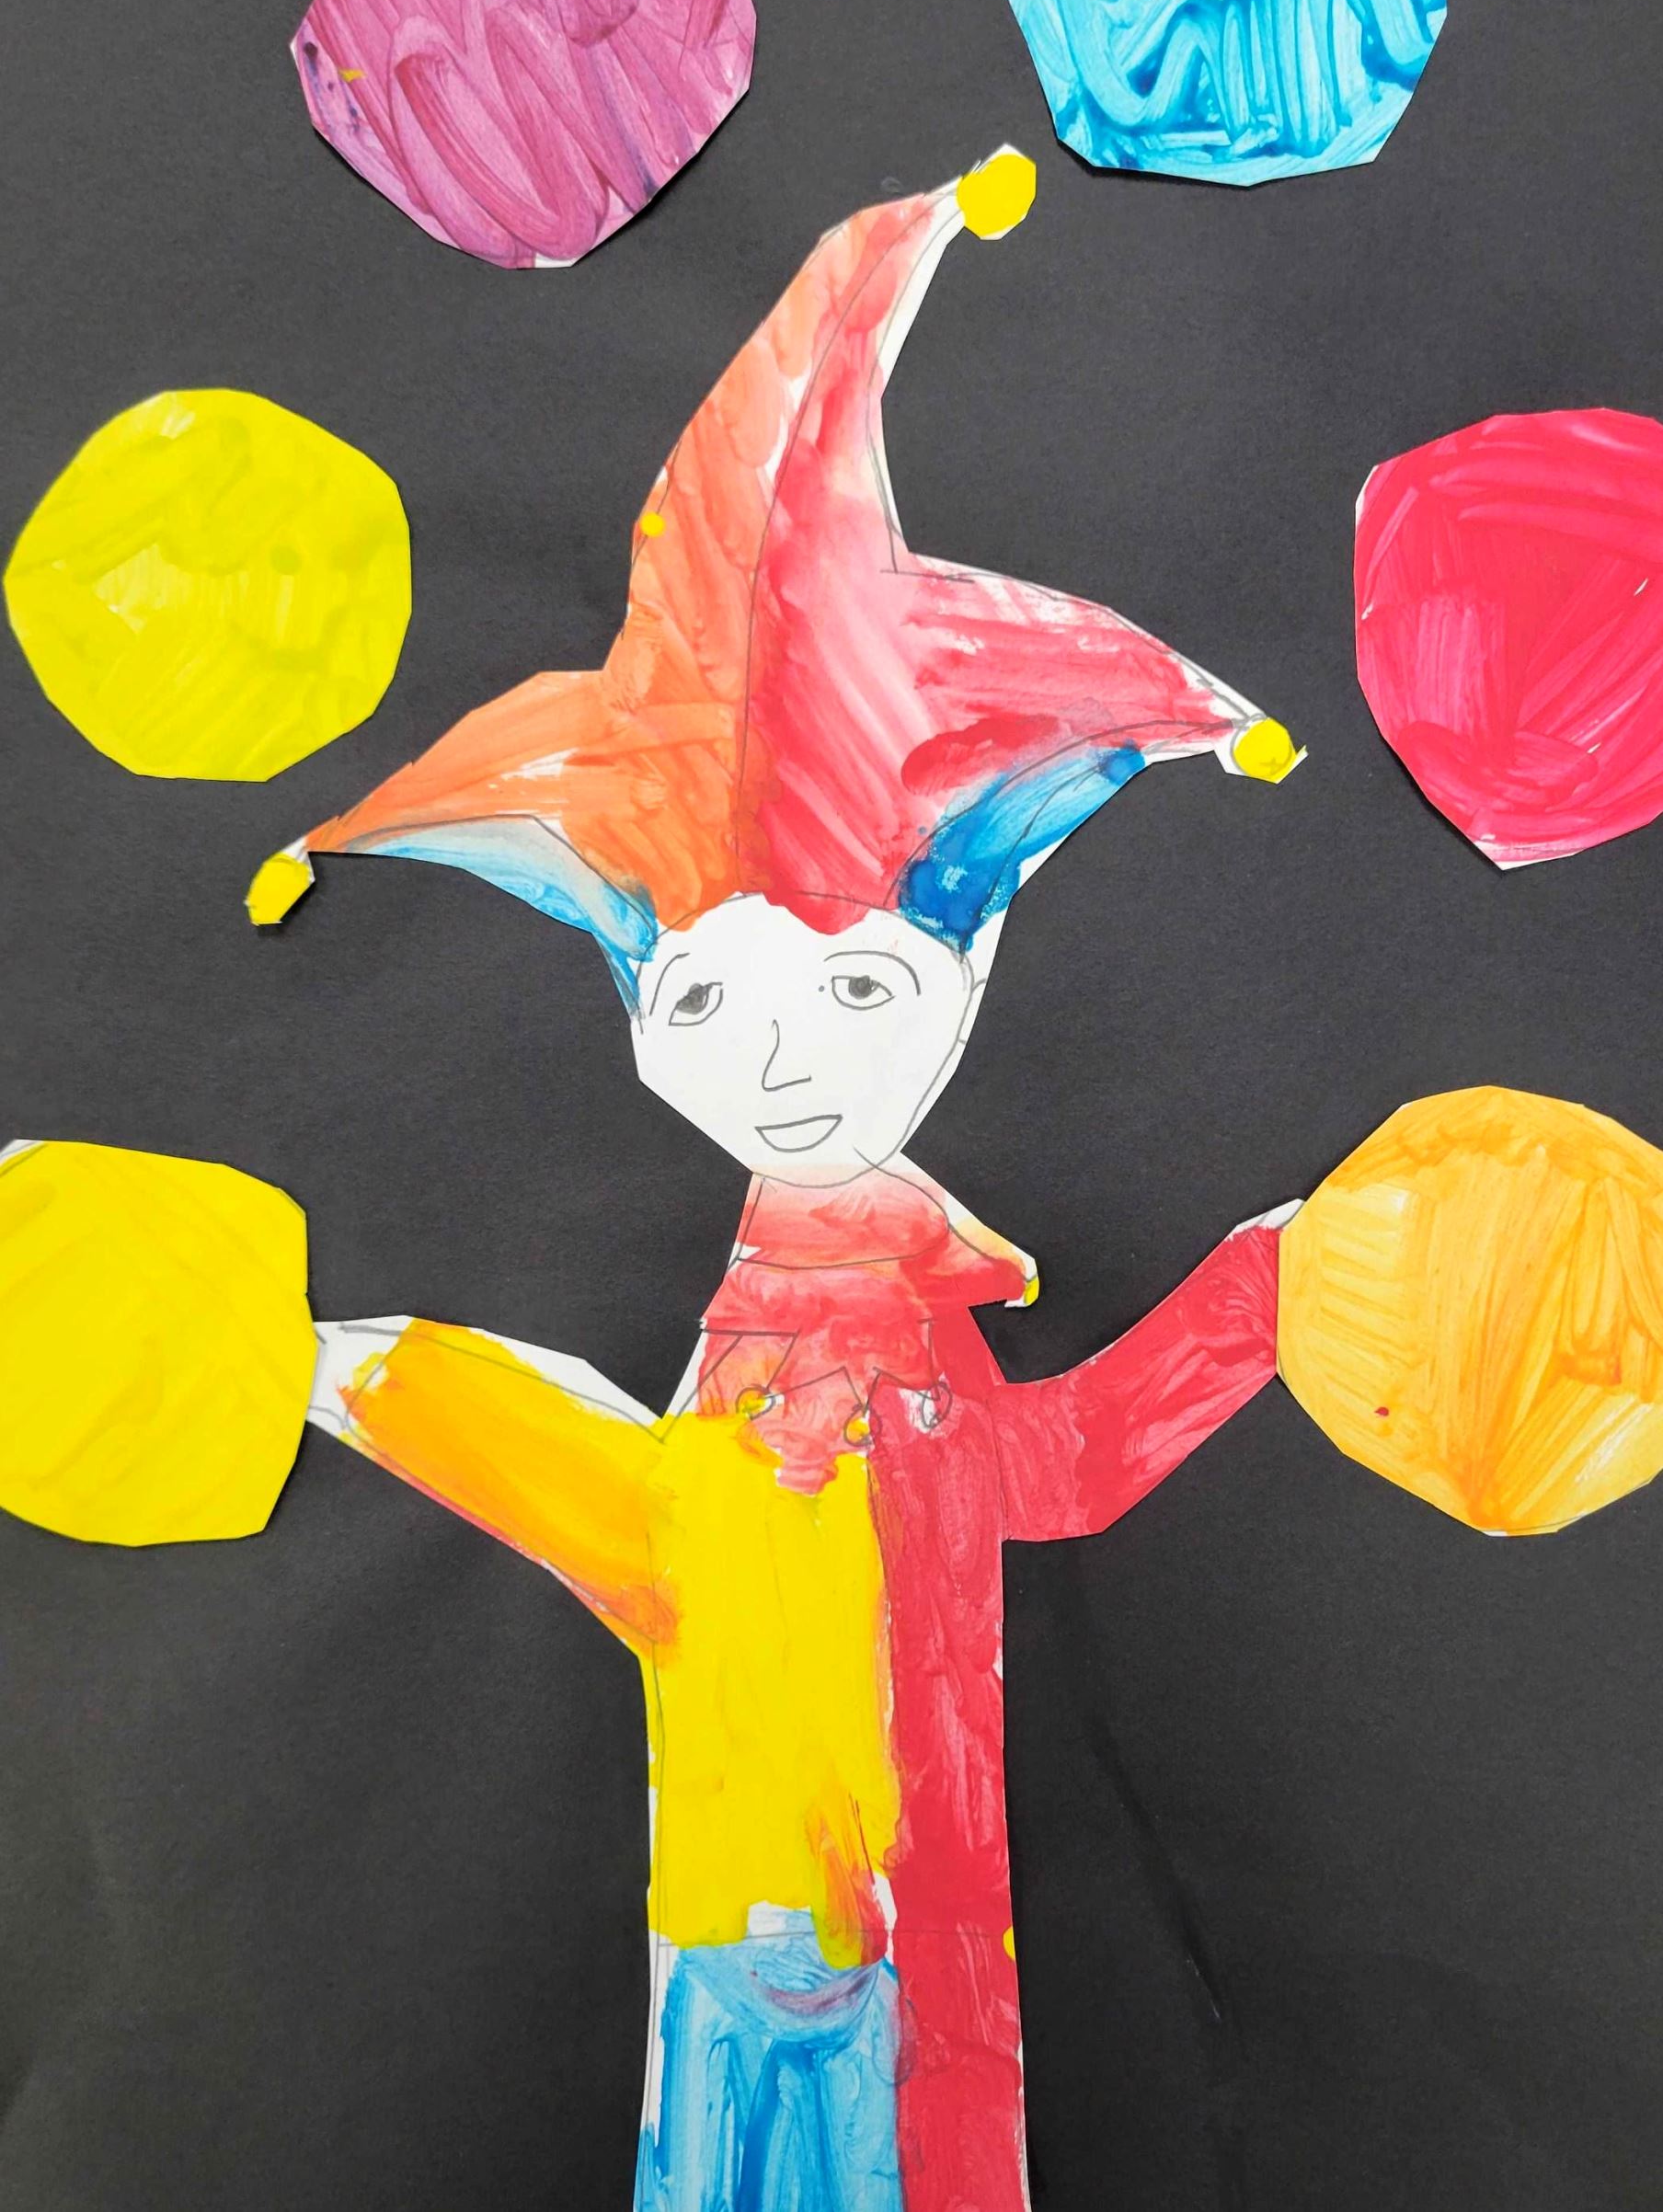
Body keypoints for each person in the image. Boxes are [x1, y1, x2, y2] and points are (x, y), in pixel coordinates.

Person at [252, 148, 1302, 2212]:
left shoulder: (902, 1347)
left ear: (963, 967)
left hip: (919, 1968)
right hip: (759, 1970)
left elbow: (1045, 1470)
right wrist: (329, 1369)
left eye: (858, 983)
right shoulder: (781, 1365)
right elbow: (637, 1504)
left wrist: (1276, 1285)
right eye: (707, 997)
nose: (786, 1059)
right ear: (639, 1007)